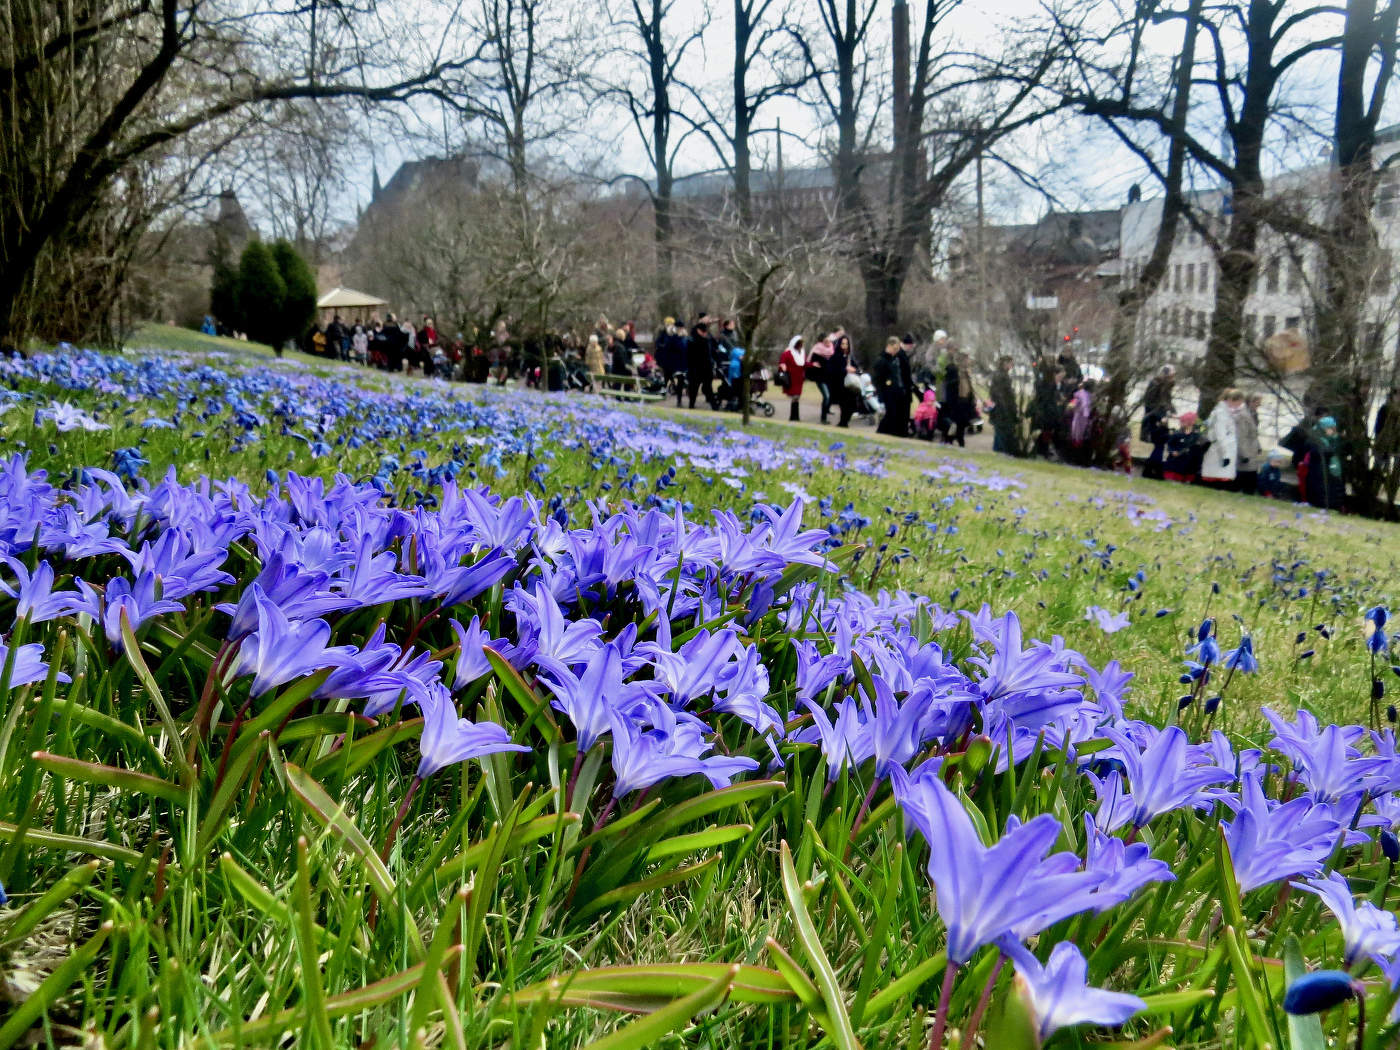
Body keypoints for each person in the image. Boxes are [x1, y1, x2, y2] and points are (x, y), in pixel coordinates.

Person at [1301, 415, 1346, 509]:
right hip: (1318, 471)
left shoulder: (1330, 440)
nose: (1332, 432)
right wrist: (1330, 451)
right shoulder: (1315, 439)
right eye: (1330, 429)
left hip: (1327, 471)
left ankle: (1332, 504)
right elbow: (1319, 451)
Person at [1200, 388, 1243, 487]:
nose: (1238, 407)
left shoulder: (1225, 412)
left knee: (1218, 472)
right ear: (1231, 400)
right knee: (1217, 474)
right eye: (1238, 403)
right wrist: (1226, 455)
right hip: (1220, 449)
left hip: (1223, 447)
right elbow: (1221, 434)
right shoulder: (1221, 413)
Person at [874, 337, 906, 435]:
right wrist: (881, 397)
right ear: (889, 346)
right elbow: (878, 380)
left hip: (895, 392)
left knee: (894, 415)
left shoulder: (894, 360)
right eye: (895, 349)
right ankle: (881, 432)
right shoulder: (882, 361)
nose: (896, 352)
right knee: (889, 414)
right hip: (887, 392)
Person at [988, 355, 1020, 455]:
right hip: (1001, 410)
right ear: (1005, 363)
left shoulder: (1002, 375)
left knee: (1001, 432)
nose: (1012, 365)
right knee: (1001, 433)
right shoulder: (1001, 376)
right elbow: (999, 395)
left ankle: (999, 451)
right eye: (1010, 363)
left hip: (1002, 409)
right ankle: (999, 452)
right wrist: (1006, 409)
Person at [1031, 355, 1062, 458]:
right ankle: (1042, 449)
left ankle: (1043, 449)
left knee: (1045, 431)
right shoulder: (1045, 380)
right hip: (1046, 408)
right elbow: (1046, 395)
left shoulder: (1045, 379)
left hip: (1045, 407)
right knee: (1045, 430)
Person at [1163, 411, 1207, 483]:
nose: (1181, 424)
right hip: (1175, 462)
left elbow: (1199, 450)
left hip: (1189, 464)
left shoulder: (1196, 436)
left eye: (1183, 422)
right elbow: (1170, 444)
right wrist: (1172, 451)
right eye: (1181, 422)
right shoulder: (1177, 434)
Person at [1235, 392, 1263, 494]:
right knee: (1244, 473)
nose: (1259, 405)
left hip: (1252, 449)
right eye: (1257, 402)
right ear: (1251, 402)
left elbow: (1254, 433)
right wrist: (1244, 454)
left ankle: (1248, 492)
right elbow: (1240, 436)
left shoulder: (1254, 414)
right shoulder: (1243, 416)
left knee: (1251, 473)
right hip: (1245, 450)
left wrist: (1259, 446)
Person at [687, 320, 716, 408]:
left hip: (703, 369)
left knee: (705, 388)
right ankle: (692, 405)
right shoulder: (694, 341)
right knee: (695, 388)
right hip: (697, 369)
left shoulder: (704, 341)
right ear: (698, 330)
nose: (705, 333)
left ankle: (713, 405)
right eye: (703, 331)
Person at [778, 335, 807, 422]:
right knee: (795, 396)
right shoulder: (787, 353)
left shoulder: (802, 353)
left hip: (799, 378)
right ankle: (793, 416)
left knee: (797, 397)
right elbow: (782, 362)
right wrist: (782, 366)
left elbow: (804, 364)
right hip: (791, 378)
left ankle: (796, 416)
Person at [808, 334, 835, 423]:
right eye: (826, 342)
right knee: (826, 396)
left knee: (829, 397)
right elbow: (812, 364)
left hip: (828, 377)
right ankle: (823, 418)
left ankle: (825, 414)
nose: (828, 343)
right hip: (820, 378)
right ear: (822, 342)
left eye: (829, 341)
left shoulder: (832, 351)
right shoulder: (817, 351)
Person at [1068, 378, 1095, 460]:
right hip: (1084, 418)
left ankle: (1074, 456)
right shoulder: (1090, 396)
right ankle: (1078, 457)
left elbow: (1071, 405)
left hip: (1078, 417)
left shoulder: (1079, 394)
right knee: (1080, 437)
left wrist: (1070, 408)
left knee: (1076, 436)